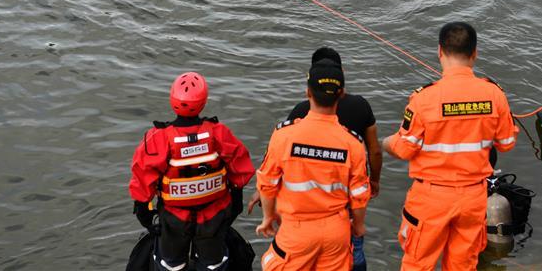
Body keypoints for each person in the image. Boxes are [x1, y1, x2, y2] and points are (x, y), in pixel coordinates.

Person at [383, 21, 518, 271]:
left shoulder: (424, 98)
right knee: (463, 265)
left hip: (432, 197)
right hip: (473, 198)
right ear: (475, 53)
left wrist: (385, 143)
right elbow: (507, 143)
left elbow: (404, 149)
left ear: (439, 51)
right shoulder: (494, 95)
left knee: (417, 264)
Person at [248, 47, 381, 271]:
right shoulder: (352, 143)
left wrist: (268, 217)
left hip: (296, 228)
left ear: (308, 92)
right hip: (337, 229)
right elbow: (359, 192)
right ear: (340, 93)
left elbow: (268, 182)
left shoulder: (285, 135)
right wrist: (358, 225)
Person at [129, 72, 255, 271]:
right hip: (213, 217)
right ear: (203, 102)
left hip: (174, 219)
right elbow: (240, 170)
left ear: (172, 99)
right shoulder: (219, 132)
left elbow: (142, 178)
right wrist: (236, 203)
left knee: (170, 265)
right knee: (213, 265)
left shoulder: (158, 138)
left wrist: (144, 215)